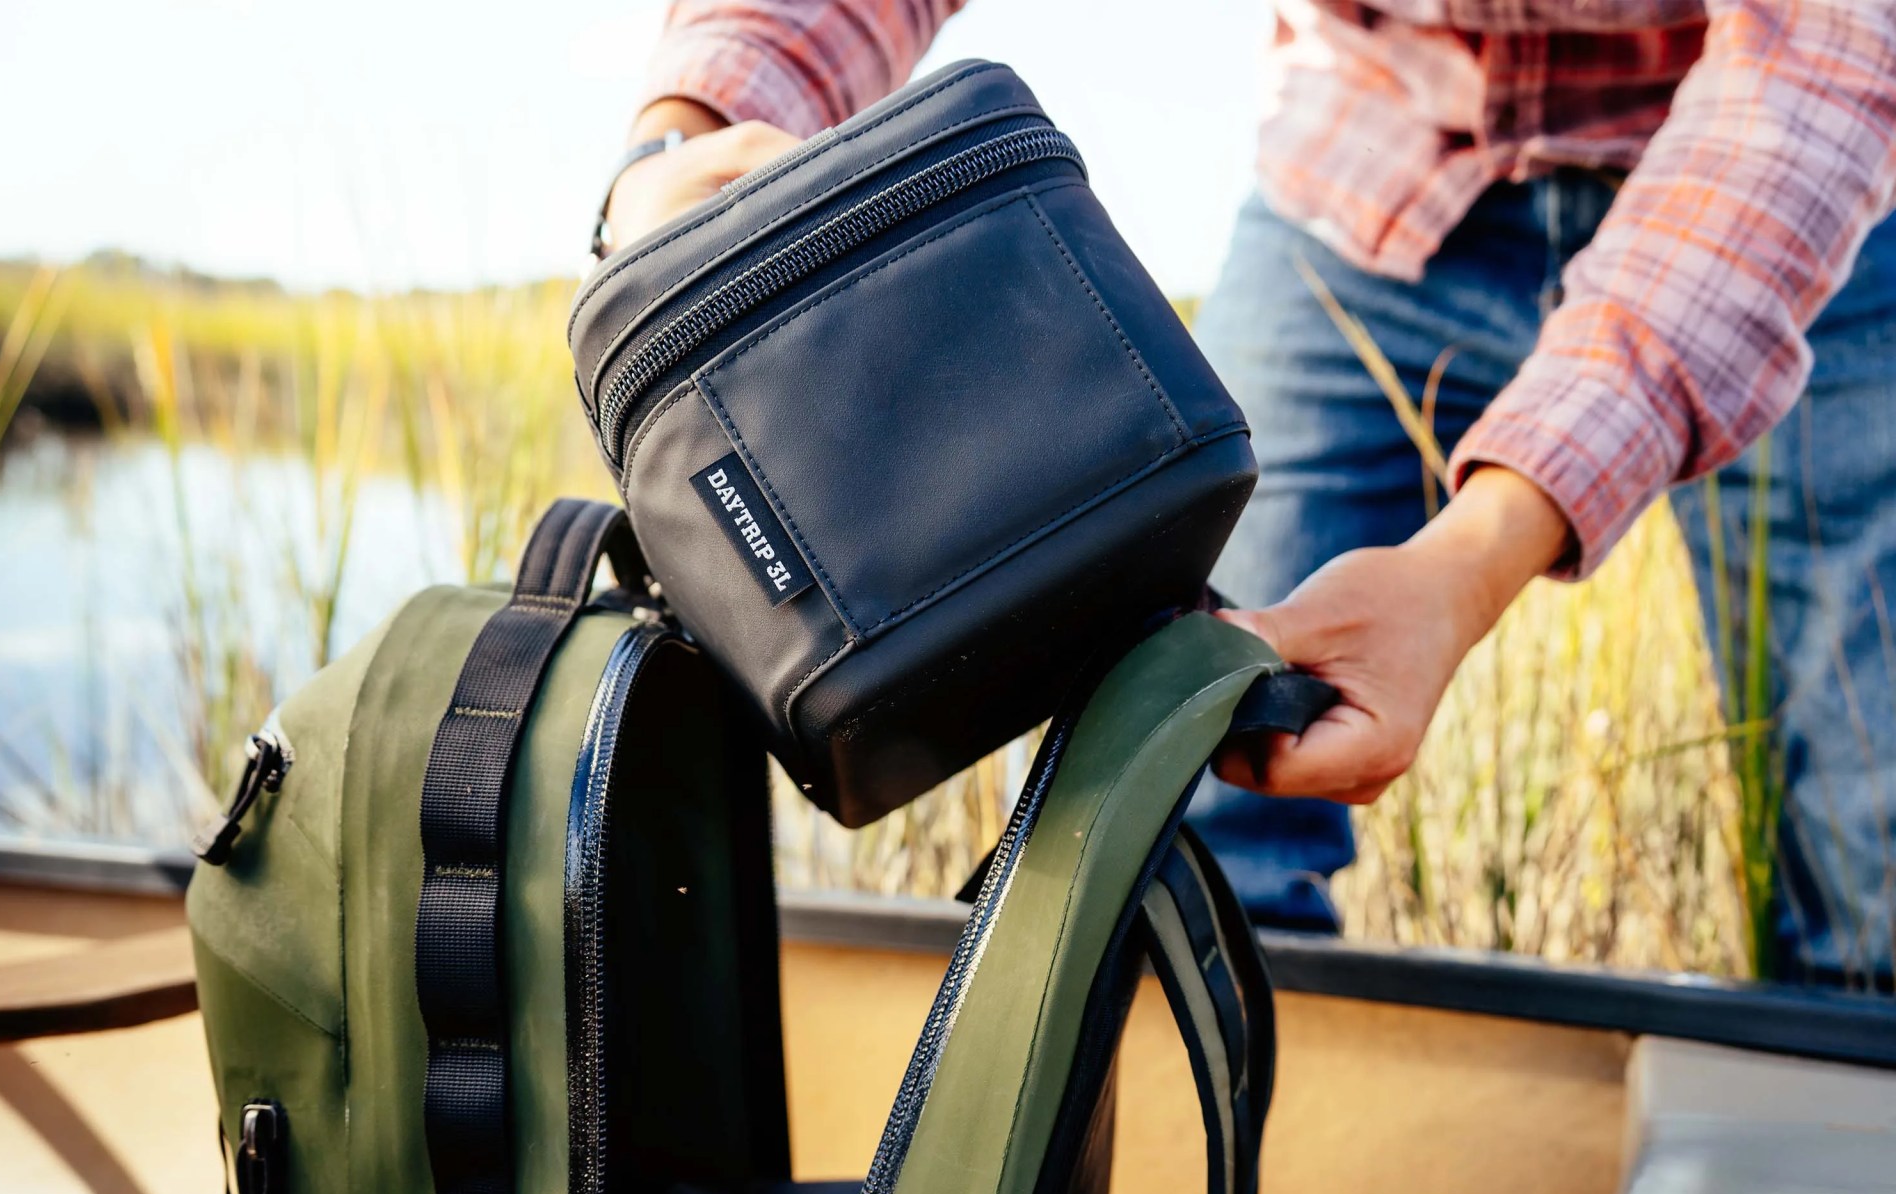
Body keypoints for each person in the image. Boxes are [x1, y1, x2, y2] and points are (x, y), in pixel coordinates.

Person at [595, 0, 1896, 987]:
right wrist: (685, 135)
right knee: (1178, 783)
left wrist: (1471, 562)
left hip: (1807, 201)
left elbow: (1817, 76)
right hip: (1371, 166)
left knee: (1871, 844)